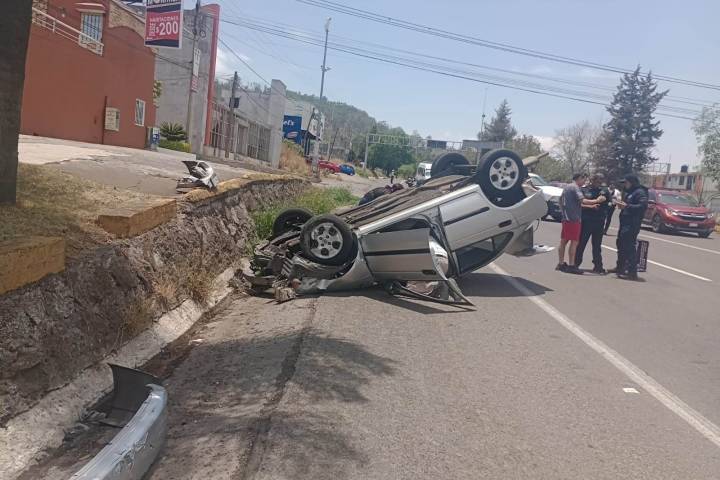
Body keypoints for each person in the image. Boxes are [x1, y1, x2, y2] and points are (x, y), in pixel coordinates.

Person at [557, 173, 605, 274]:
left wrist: (564, 212)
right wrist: (597, 200)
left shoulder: (567, 187)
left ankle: (561, 263)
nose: (584, 182)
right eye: (584, 179)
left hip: (566, 218)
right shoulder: (575, 188)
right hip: (573, 219)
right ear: (579, 178)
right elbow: (583, 200)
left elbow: (561, 201)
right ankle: (571, 265)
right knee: (574, 242)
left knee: (563, 241)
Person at [609, 174, 648, 280]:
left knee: (629, 247)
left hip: (632, 224)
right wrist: (622, 204)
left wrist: (627, 206)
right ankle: (620, 267)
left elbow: (642, 206)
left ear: (632, 182)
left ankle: (632, 272)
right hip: (625, 223)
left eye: (626, 183)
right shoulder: (630, 192)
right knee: (620, 244)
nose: (624, 185)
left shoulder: (640, 192)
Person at [575, 174, 611, 273]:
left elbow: (610, 203)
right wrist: (592, 205)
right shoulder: (584, 190)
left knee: (597, 245)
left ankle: (598, 266)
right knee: (581, 243)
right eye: (597, 180)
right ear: (592, 180)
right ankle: (575, 264)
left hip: (599, 221)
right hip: (586, 220)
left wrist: (604, 209)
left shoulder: (604, 191)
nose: (599, 183)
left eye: (601, 181)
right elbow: (580, 204)